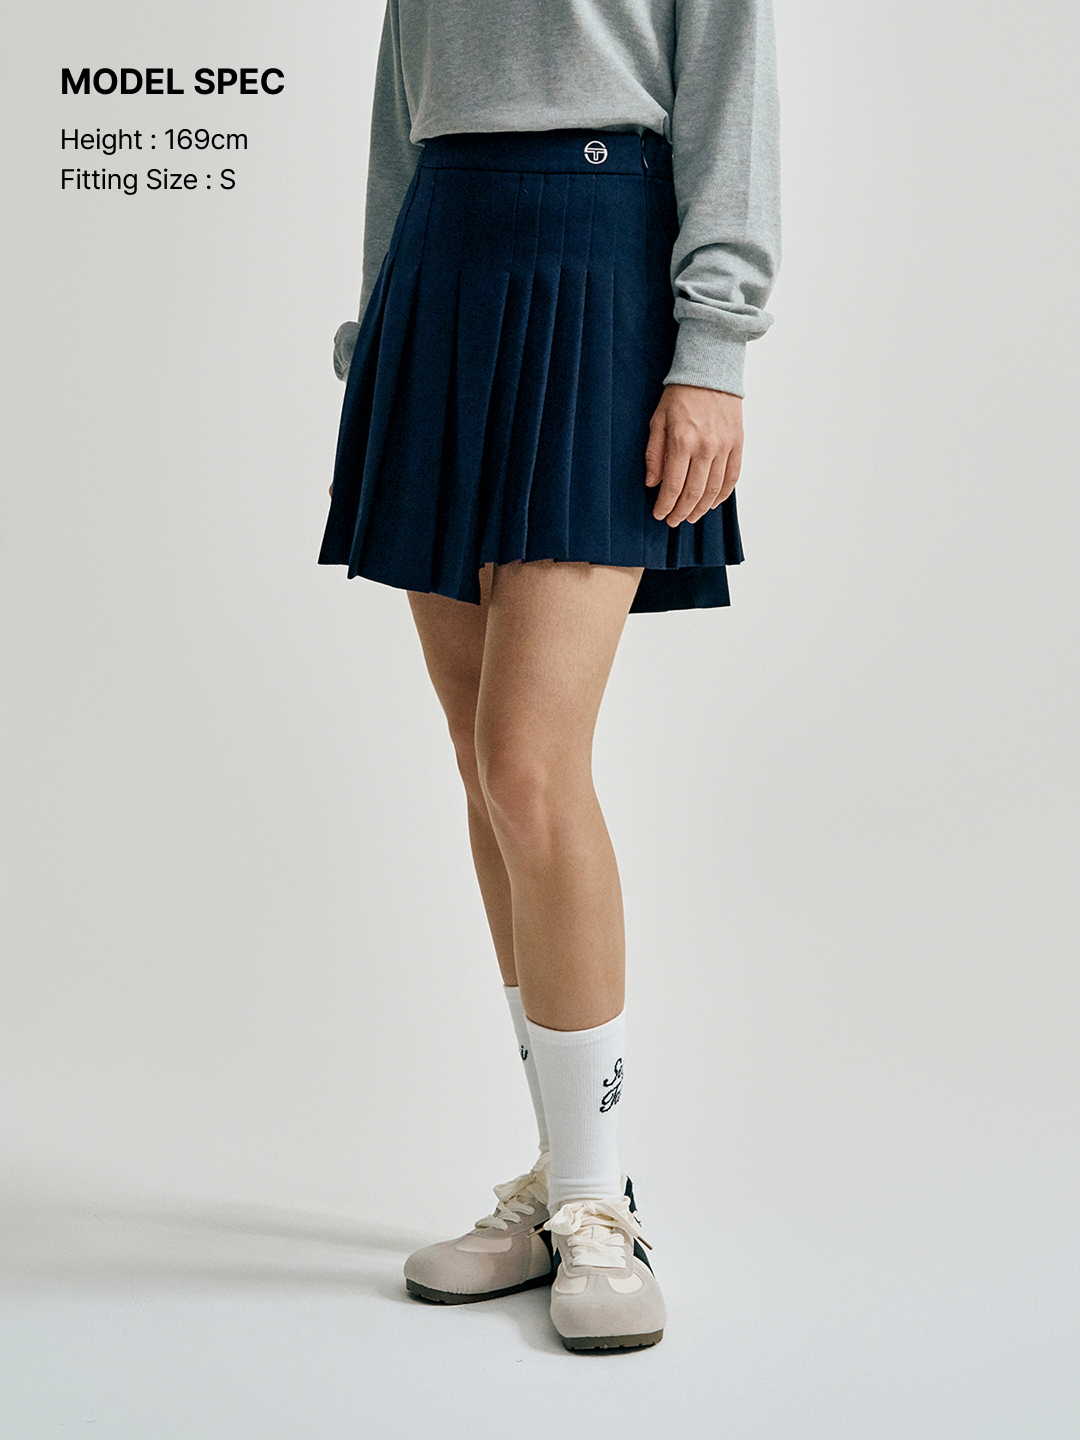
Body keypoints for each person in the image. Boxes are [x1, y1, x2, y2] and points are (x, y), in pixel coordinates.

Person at [320, 0, 780, 1352]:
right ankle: (558, 1175)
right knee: (484, 769)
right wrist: (375, 334)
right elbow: (401, 116)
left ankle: (596, 1203)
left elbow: (731, 99)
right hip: (441, 273)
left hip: (602, 261)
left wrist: (715, 351)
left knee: (530, 764)